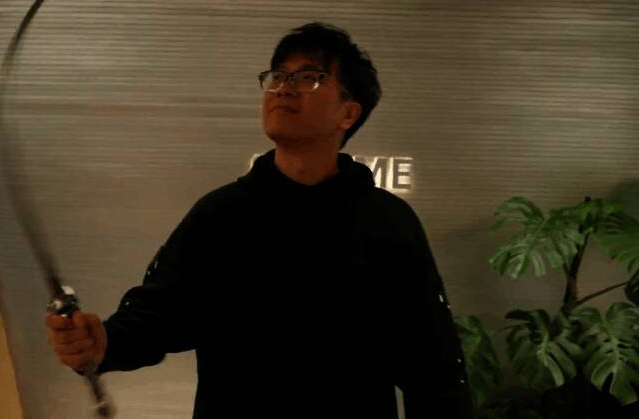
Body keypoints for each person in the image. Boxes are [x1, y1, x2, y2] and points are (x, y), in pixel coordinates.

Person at [46, 22, 473, 418]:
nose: (284, 88)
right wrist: (103, 343)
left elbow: (432, 365)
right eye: (278, 76)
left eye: (309, 77)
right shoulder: (221, 214)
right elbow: (159, 314)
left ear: (348, 113)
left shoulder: (388, 222)